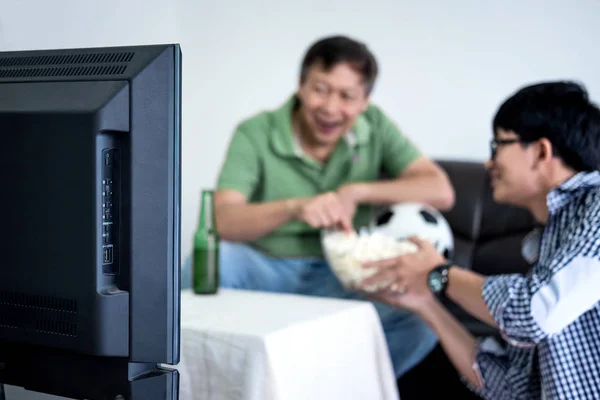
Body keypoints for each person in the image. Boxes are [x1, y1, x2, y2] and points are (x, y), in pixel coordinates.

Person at [212, 35, 455, 378]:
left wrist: (356, 191)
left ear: (365, 101)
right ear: (300, 85)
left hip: (343, 276)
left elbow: (440, 190)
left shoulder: (376, 126)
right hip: (265, 267)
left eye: (346, 96)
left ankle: (334, 388)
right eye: (321, 89)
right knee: (210, 264)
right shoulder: (254, 131)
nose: (330, 107)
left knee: (420, 320)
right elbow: (224, 220)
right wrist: (295, 207)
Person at [360, 81, 600, 399]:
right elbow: (504, 387)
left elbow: (532, 313)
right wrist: (425, 303)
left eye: (498, 145)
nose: (489, 162)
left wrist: (438, 273)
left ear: (541, 151)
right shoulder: (547, 241)